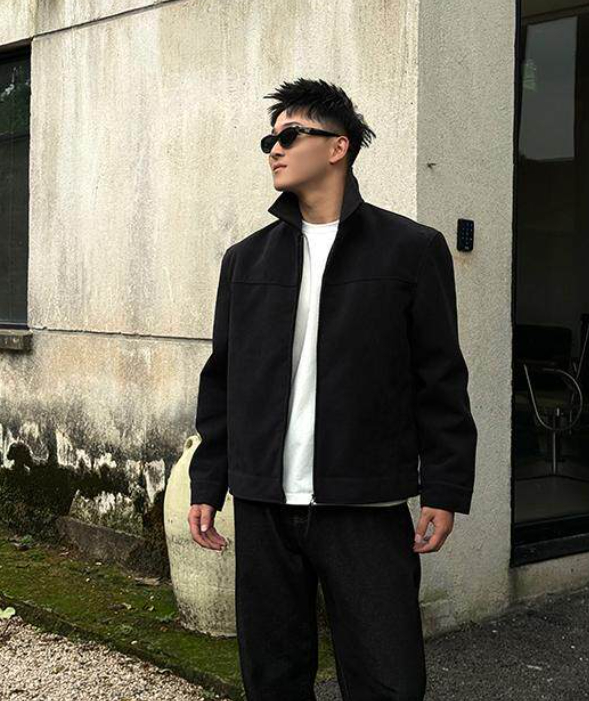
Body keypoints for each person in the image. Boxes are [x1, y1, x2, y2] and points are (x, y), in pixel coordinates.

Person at [187, 77, 478, 701]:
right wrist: (207, 482)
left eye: (290, 135)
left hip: (364, 503)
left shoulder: (411, 250)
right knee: (272, 676)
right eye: (270, 139)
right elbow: (223, 380)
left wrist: (445, 487)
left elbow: (439, 379)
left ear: (338, 146)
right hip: (264, 503)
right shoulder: (245, 260)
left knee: (388, 678)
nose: (275, 148)